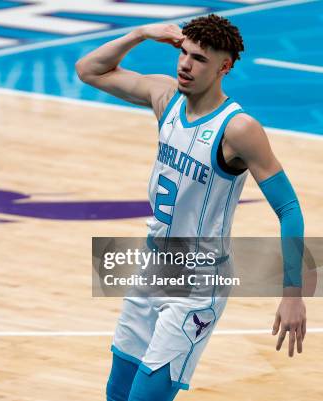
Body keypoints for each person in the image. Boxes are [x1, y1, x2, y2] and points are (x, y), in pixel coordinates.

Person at [76, 14, 306, 401]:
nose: (185, 64)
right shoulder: (165, 97)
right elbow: (89, 70)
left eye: (199, 59)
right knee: (116, 392)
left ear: (224, 67)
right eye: (183, 53)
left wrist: (293, 294)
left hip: (199, 284)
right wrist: (140, 33)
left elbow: (289, 208)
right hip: (152, 268)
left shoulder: (238, 129)